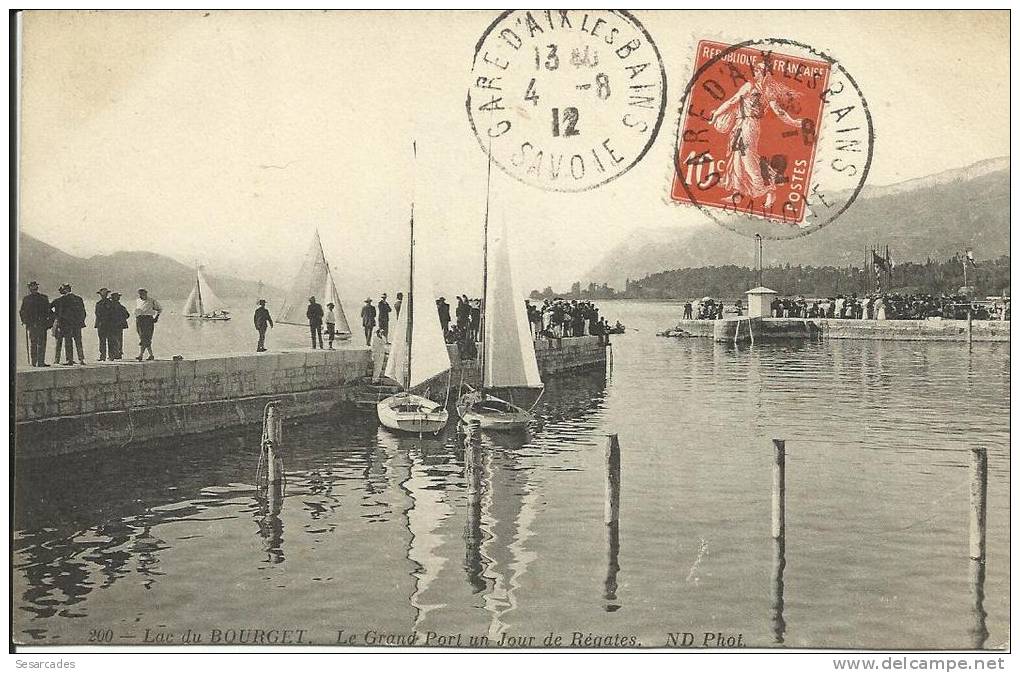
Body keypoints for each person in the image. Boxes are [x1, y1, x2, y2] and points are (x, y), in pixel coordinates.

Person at [19, 281, 53, 367]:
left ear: (30, 289)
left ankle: (34, 362)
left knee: (33, 343)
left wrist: (24, 321)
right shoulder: (44, 298)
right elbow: (49, 312)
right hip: (41, 324)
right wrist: (49, 323)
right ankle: (40, 362)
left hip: (32, 324)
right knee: (41, 343)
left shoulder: (26, 299)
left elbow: (22, 312)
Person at [52, 283, 87, 365]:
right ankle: (81, 359)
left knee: (67, 342)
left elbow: (49, 308)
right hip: (77, 324)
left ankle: (67, 360)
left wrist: (55, 318)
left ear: (64, 290)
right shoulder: (78, 299)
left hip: (65, 324)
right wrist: (80, 321)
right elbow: (83, 313)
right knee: (78, 341)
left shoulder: (60, 300)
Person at [134, 288, 163, 361]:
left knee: (145, 337)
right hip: (139, 319)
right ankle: (150, 355)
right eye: (140, 294)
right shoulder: (138, 301)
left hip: (148, 319)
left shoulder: (152, 300)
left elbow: (159, 309)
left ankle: (141, 355)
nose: (141, 295)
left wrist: (156, 317)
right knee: (142, 337)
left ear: (146, 293)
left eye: (142, 294)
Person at [94, 287, 115, 361]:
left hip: (107, 324)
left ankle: (110, 356)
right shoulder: (99, 303)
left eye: (104, 294)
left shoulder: (110, 303)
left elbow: (112, 314)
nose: (103, 295)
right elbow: (97, 314)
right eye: (102, 294)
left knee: (109, 340)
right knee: (102, 341)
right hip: (102, 324)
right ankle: (103, 356)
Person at [108, 292, 130, 359]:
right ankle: (118, 353)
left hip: (112, 325)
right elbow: (127, 315)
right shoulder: (121, 307)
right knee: (119, 339)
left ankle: (113, 354)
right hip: (119, 325)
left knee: (112, 340)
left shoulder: (110, 307)